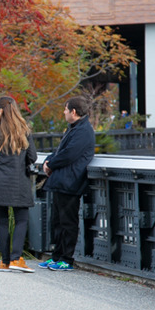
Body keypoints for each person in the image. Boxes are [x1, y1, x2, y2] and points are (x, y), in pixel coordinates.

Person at [0, 95, 37, 272]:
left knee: (2, 222)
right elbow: (32, 157)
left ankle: (4, 261)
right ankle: (16, 259)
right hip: (18, 182)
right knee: (21, 220)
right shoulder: (24, 130)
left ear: (2, 109)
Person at [39, 96, 95, 272]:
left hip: (71, 182)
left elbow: (69, 154)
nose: (63, 112)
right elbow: (59, 151)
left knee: (68, 222)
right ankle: (56, 256)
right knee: (58, 221)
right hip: (62, 181)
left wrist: (51, 164)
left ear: (73, 111)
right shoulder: (74, 129)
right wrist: (48, 161)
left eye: (65, 109)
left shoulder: (84, 131)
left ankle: (67, 259)